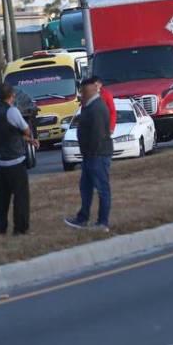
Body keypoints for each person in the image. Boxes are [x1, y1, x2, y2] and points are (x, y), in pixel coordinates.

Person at [0, 83, 39, 236]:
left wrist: (24, 138)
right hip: (15, 161)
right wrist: (28, 136)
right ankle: (20, 228)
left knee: (1, 196)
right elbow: (26, 129)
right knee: (20, 196)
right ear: (12, 95)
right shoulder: (12, 111)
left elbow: (7, 132)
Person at [65, 77, 113, 232]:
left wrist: (91, 153)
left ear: (90, 90)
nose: (81, 94)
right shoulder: (88, 106)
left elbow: (97, 135)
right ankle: (82, 218)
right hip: (89, 155)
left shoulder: (97, 108)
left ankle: (103, 222)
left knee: (102, 188)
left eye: (83, 91)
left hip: (97, 155)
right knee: (85, 187)